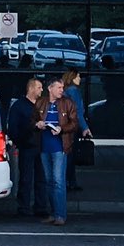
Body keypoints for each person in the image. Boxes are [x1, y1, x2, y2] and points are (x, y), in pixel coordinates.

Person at [36, 77, 75, 226]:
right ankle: (53, 213)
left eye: (62, 88)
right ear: (50, 89)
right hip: (44, 146)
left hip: (59, 147)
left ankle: (60, 214)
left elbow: (74, 123)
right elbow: (33, 119)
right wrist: (37, 123)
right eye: (58, 87)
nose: (61, 90)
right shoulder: (41, 103)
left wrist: (61, 129)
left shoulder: (67, 103)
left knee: (58, 181)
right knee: (49, 181)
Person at [5, 77, 43, 217]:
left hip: (41, 145)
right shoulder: (19, 106)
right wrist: (22, 139)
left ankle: (40, 206)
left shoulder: (42, 104)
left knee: (41, 178)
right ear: (31, 88)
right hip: (27, 145)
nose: (41, 90)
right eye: (39, 87)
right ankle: (24, 206)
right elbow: (14, 128)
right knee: (26, 178)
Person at [61, 70, 92, 194]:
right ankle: (70, 182)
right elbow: (78, 111)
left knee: (68, 154)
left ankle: (69, 181)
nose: (80, 78)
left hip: (66, 125)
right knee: (70, 155)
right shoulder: (73, 91)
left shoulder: (66, 91)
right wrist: (85, 127)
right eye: (78, 76)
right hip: (72, 127)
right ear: (72, 77)